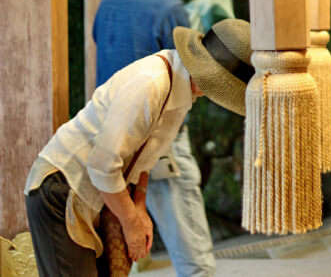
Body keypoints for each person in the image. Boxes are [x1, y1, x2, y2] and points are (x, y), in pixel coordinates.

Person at [25, 18, 253, 277]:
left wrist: (140, 207)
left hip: (103, 194)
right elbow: (102, 165)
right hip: (63, 187)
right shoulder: (151, 82)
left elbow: (146, 158)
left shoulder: (183, 89)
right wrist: (130, 220)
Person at [91, 0, 217, 276]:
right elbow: (190, 78)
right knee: (193, 256)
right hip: (164, 144)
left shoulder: (108, 3)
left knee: (120, 256)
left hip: (114, 147)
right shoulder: (170, 8)